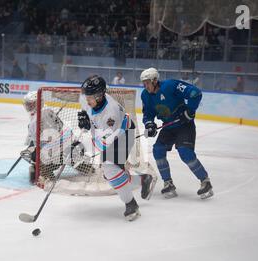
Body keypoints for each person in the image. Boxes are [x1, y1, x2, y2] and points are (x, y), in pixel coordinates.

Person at [78, 75, 156, 221]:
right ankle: (143, 180)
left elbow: (103, 144)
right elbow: (84, 105)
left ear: (100, 96)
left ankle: (131, 204)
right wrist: (84, 118)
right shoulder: (90, 98)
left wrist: (82, 145)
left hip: (122, 136)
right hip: (107, 136)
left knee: (110, 169)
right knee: (110, 174)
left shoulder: (110, 114)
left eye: (90, 98)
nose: (86, 100)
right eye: (86, 97)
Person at [140, 67, 213, 199]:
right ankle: (168, 183)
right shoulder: (145, 95)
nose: (145, 86)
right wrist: (149, 124)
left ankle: (205, 181)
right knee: (157, 150)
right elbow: (148, 114)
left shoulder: (170, 85)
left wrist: (190, 111)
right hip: (169, 127)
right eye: (143, 83)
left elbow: (195, 93)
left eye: (147, 82)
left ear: (155, 80)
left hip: (184, 125)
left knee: (185, 152)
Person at [21, 91, 95, 183]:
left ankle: (46, 176)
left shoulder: (38, 118)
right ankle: (87, 167)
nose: (28, 107)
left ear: (38, 103)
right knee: (73, 159)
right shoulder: (47, 111)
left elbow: (49, 140)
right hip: (71, 146)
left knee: (30, 155)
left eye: (31, 104)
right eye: (27, 104)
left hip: (60, 151)